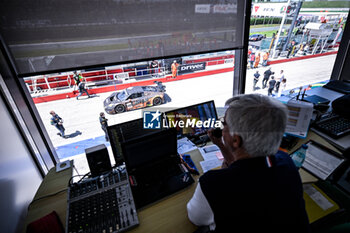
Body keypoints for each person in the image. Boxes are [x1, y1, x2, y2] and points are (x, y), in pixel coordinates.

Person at [187, 94, 309, 233]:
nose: (222, 128)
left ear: (236, 140)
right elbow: (246, 168)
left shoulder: (212, 184)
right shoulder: (286, 162)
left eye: (225, 124)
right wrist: (221, 145)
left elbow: (196, 218)